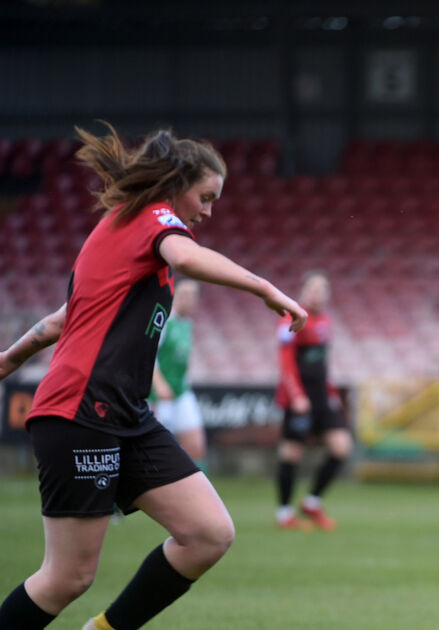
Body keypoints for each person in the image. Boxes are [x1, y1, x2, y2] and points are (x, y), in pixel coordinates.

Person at [0, 122, 307, 630]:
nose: (208, 211)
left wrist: (9, 359)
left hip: (123, 412)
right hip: (81, 409)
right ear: (175, 184)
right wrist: (265, 289)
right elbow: (186, 255)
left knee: (209, 533)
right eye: (205, 197)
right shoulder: (151, 217)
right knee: (67, 578)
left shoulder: (129, 238)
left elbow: (61, 319)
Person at [274, 270, 351, 532]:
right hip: (299, 398)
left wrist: (331, 394)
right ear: (303, 291)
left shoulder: (325, 320)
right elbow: (285, 360)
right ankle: (284, 514)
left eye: (323, 289)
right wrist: (296, 395)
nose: (318, 294)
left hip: (321, 396)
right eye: (314, 289)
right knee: (292, 453)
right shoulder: (291, 317)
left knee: (341, 447)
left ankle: (312, 503)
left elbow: (322, 364)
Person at [150, 278, 207, 470]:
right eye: (183, 295)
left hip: (180, 391)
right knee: (157, 448)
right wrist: (159, 384)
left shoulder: (188, 324)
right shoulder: (165, 320)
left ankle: (199, 496)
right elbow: (150, 355)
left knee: (196, 446)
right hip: (160, 395)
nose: (187, 300)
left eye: (192, 296)